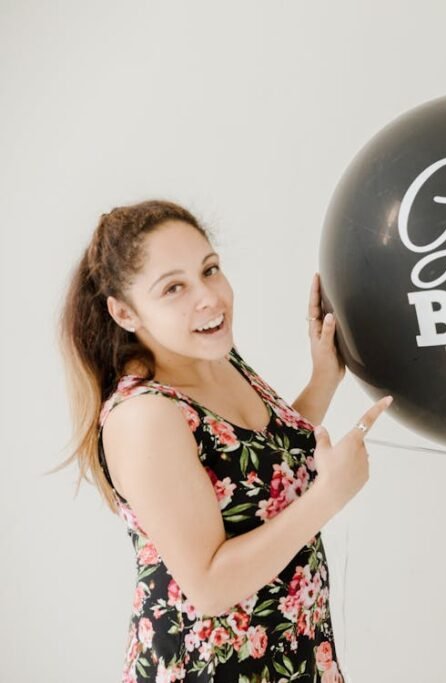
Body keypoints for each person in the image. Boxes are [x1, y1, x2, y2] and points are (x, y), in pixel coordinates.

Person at [58, 200, 391, 682]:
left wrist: (324, 379)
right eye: (174, 288)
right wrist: (329, 497)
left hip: (292, 653)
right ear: (124, 312)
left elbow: (258, 471)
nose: (209, 298)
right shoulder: (146, 416)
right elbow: (209, 586)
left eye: (209, 270)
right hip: (213, 669)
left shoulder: (215, 360)